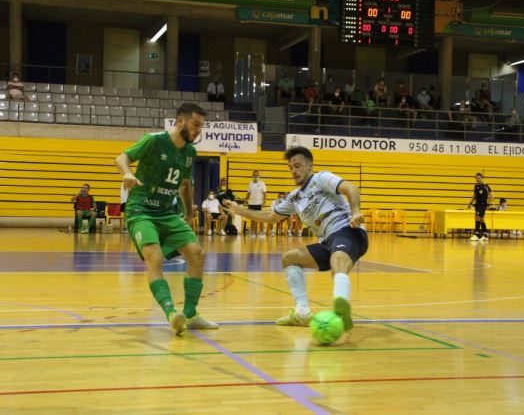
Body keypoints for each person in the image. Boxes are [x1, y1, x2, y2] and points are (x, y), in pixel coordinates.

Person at [223, 146, 368, 331]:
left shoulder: (321, 178)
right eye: (291, 168)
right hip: (327, 241)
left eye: (297, 166)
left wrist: (356, 212)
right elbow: (270, 217)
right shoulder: (295, 197)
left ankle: (341, 311)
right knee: (289, 258)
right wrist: (239, 210)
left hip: (349, 230)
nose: (293, 171)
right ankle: (302, 313)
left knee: (337, 259)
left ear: (310, 166)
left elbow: (350, 188)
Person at [115, 103, 218, 336]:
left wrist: (189, 213)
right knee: (155, 256)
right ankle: (172, 313)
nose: (198, 131)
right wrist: (128, 173)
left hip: (166, 213)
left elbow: (185, 184)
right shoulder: (154, 140)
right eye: (195, 125)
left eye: (201, 126)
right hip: (141, 209)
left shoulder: (190, 153)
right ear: (180, 122)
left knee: (197, 254)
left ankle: (190, 314)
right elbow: (122, 157)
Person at [468, 173, 493, 241]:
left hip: (483, 204)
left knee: (477, 217)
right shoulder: (476, 186)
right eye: (476, 178)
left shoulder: (486, 186)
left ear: (482, 178)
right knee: (481, 219)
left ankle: (477, 235)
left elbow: (491, 195)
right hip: (477, 204)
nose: (477, 179)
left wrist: (488, 204)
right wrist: (470, 202)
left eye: (479, 178)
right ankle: (485, 235)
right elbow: (475, 195)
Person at [245, 170, 267, 236]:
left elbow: (265, 193)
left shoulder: (262, 183)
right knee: (252, 218)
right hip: (251, 203)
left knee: (260, 218)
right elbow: (248, 193)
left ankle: (262, 232)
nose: (255, 176)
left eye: (257, 175)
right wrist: (245, 200)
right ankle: (253, 232)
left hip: (259, 203)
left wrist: (264, 202)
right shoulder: (250, 183)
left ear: (259, 176)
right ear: (252, 175)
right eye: (254, 175)